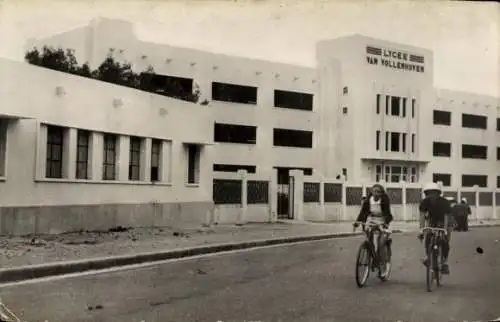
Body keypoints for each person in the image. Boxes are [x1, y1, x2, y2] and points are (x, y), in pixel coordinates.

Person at [418, 182, 452, 275]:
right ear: (426, 194)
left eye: (434, 193)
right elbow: (422, 215)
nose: (431, 195)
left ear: (438, 193)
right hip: (432, 219)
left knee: (445, 240)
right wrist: (421, 229)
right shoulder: (425, 202)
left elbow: (446, 216)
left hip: (445, 220)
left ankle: (444, 262)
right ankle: (427, 256)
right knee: (428, 236)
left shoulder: (444, 202)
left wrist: (445, 230)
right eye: (429, 193)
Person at [353, 184, 393, 261]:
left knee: (380, 242)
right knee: (368, 233)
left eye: (378, 192)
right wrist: (356, 223)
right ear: (372, 191)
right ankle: (371, 252)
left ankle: (381, 259)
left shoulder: (384, 200)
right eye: (375, 191)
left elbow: (388, 214)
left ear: (381, 193)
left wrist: (386, 223)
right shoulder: (368, 200)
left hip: (382, 220)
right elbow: (363, 212)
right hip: (371, 219)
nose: (376, 194)